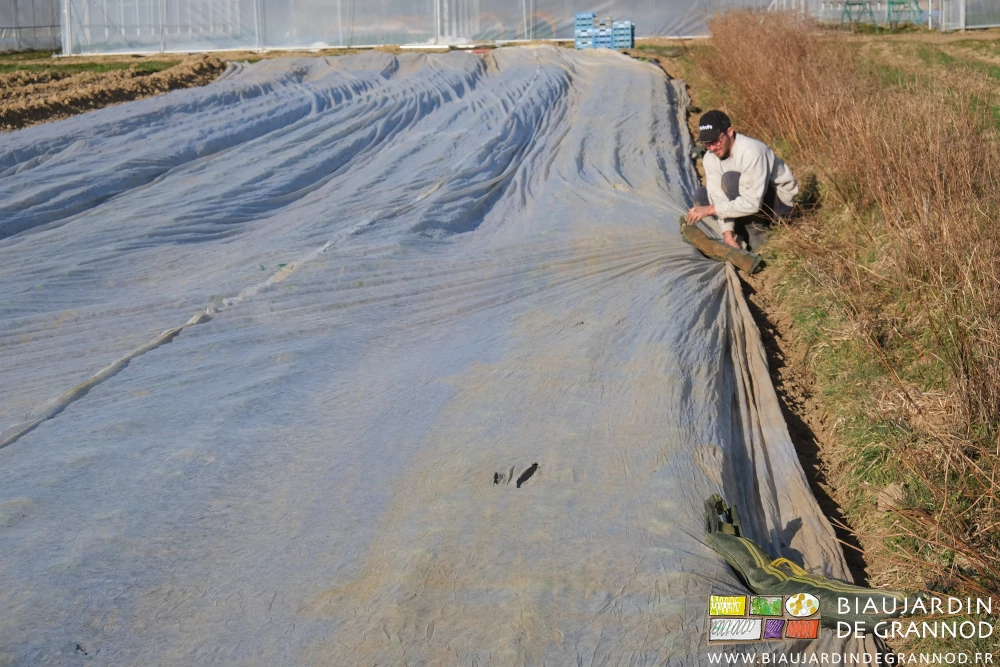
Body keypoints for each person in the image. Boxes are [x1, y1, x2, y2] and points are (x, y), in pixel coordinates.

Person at [684, 110, 798, 250]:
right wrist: (727, 234)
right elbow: (717, 197)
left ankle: (759, 234)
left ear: (730, 132)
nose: (712, 148)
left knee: (730, 180)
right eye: (707, 144)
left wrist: (711, 209)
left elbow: (752, 203)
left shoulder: (751, 152)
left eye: (716, 141)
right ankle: (738, 237)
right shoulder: (710, 157)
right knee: (702, 195)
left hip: (778, 206)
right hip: (746, 200)